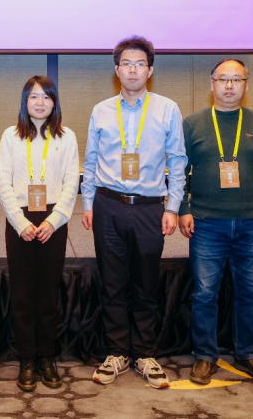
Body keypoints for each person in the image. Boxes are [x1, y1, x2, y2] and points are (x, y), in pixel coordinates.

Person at [81, 35, 187, 389]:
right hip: (108, 205)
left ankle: (144, 353)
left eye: (139, 64)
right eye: (126, 63)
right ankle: (117, 353)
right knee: (112, 282)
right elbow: (91, 161)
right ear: (117, 70)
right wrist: (88, 204)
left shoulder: (167, 109)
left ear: (150, 70)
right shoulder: (101, 110)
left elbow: (178, 160)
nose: (132, 70)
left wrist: (173, 207)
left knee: (145, 283)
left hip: (149, 208)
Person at [178, 59, 253, 385]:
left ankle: (247, 353)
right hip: (206, 223)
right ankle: (205, 356)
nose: (229, 85)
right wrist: (183, 208)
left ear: (246, 85)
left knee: (250, 293)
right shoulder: (193, 123)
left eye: (237, 79)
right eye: (223, 79)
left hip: (251, 223)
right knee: (205, 293)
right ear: (212, 84)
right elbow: (178, 170)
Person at [0, 76, 79, 392]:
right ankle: (27, 358)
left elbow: (71, 183)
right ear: (24, 102)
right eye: (33, 97)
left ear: (54, 101)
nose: (40, 102)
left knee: (48, 293)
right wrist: (20, 223)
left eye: (46, 96)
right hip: (20, 220)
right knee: (22, 294)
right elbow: (3, 183)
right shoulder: (10, 136)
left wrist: (54, 220)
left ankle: (47, 357)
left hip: (52, 221)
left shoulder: (66, 137)